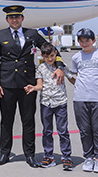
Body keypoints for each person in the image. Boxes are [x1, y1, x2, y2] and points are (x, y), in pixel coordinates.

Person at [0, 5, 65, 168]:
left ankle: (30, 155)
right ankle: (4, 153)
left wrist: (59, 66)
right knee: (6, 120)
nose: (14, 20)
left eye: (17, 17)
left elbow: (51, 49)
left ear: (22, 18)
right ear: (7, 19)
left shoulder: (32, 34)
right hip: (7, 85)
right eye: (11, 17)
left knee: (28, 120)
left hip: (28, 85)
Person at [24, 42, 76, 170]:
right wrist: (33, 88)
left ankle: (67, 157)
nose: (50, 59)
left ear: (56, 54)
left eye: (52, 55)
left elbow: (72, 79)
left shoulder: (61, 67)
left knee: (63, 131)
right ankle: (49, 156)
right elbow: (40, 85)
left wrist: (84, 86)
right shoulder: (41, 68)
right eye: (46, 56)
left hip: (60, 103)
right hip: (46, 103)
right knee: (47, 131)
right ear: (42, 56)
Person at [71, 28, 98, 174]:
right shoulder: (76, 57)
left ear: (93, 41)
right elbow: (78, 76)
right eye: (81, 41)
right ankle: (89, 157)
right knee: (84, 130)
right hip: (80, 98)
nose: (84, 43)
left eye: (87, 40)